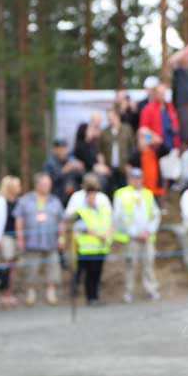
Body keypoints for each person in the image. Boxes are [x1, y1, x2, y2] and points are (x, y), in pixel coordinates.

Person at [14, 173, 65, 306]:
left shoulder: (55, 200)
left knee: (53, 267)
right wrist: (20, 238)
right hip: (32, 241)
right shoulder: (25, 200)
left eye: (48, 184)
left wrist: (61, 237)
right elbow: (19, 220)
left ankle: (51, 292)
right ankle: (31, 293)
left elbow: (61, 221)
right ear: (37, 185)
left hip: (51, 241)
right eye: (44, 184)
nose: (47, 187)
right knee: (32, 268)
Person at [112, 167, 161, 303]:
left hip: (147, 236)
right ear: (129, 179)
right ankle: (129, 292)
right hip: (130, 237)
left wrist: (149, 230)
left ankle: (151, 290)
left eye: (139, 177)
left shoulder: (147, 194)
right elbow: (118, 217)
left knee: (149, 264)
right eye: (134, 178)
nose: (137, 180)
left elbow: (155, 215)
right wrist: (134, 232)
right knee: (130, 264)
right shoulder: (121, 194)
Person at [69, 179, 112, 305]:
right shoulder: (81, 211)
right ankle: (89, 297)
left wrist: (107, 235)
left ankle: (95, 297)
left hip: (101, 247)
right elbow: (82, 227)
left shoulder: (102, 209)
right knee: (87, 274)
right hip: (86, 249)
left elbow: (108, 223)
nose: (92, 198)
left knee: (97, 274)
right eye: (90, 195)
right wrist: (100, 235)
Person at [137, 82, 180, 197]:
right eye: (160, 92)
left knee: (171, 176)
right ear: (155, 93)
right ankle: (161, 201)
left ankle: (167, 201)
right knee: (158, 179)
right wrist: (153, 139)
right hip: (156, 150)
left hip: (170, 147)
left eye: (164, 93)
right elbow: (143, 130)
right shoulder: (148, 109)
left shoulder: (170, 108)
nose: (162, 95)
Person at [0, 175, 22, 308]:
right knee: (5, 265)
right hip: (5, 237)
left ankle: (9, 292)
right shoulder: (0, 201)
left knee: (12, 266)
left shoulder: (18, 201)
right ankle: (4, 294)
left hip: (15, 237)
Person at [98, 108, 135, 194]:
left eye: (112, 117)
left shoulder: (127, 129)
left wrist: (130, 164)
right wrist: (102, 165)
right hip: (109, 168)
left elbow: (132, 147)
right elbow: (100, 151)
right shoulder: (104, 132)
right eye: (108, 118)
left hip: (124, 167)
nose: (110, 120)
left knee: (124, 190)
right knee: (110, 191)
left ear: (117, 117)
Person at [43, 138, 84, 204]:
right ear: (55, 149)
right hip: (56, 198)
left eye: (64, 148)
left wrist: (80, 171)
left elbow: (81, 180)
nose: (62, 151)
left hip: (73, 197)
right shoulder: (49, 164)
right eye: (59, 148)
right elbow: (48, 182)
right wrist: (63, 171)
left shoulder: (72, 161)